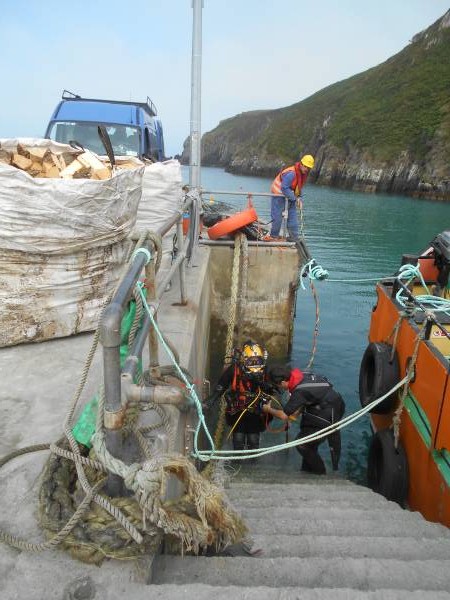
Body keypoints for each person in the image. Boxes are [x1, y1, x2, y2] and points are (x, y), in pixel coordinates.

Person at [262, 365, 345, 474]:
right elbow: (309, 396)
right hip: (331, 403)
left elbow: (283, 415)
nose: (281, 388)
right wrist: (294, 416)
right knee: (310, 443)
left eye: (279, 386)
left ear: (283, 382)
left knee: (302, 445)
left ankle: (321, 474)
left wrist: (268, 409)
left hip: (327, 412)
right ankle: (306, 471)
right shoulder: (302, 375)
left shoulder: (299, 392)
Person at [205, 340, 272, 451]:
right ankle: (237, 464)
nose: (255, 364)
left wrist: (260, 383)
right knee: (238, 439)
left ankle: (252, 464)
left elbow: (273, 389)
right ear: (245, 360)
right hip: (237, 408)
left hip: (256, 410)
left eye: (258, 361)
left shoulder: (266, 371)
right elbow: (221, 386)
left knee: (253, 439)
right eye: (251, 361)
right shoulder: (235, 369)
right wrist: (211, 400)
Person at [267, 154, 315, 241]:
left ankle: (294, 237)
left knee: (292, 217)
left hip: (289, 196)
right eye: (306, 167)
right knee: (277, 217)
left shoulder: (301, 174)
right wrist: (295, 199)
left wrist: (299, 198)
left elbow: (298, 187)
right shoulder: (291, 173)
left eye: (309, 168)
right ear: (301, 164)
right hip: (279, 195)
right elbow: (284, 188)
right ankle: (273, 237)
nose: (307, 169)